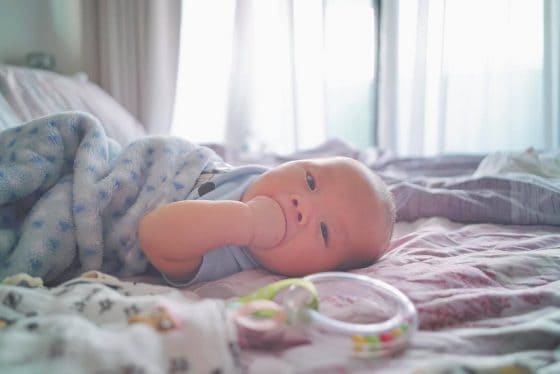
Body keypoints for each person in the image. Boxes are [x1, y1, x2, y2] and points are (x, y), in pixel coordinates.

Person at [138, 156, 396, 286]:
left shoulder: (226, 257)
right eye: (310, 181)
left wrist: (247, 222)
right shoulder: (263, 179)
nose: (301, 205)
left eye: (324, 230)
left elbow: (152, 233)